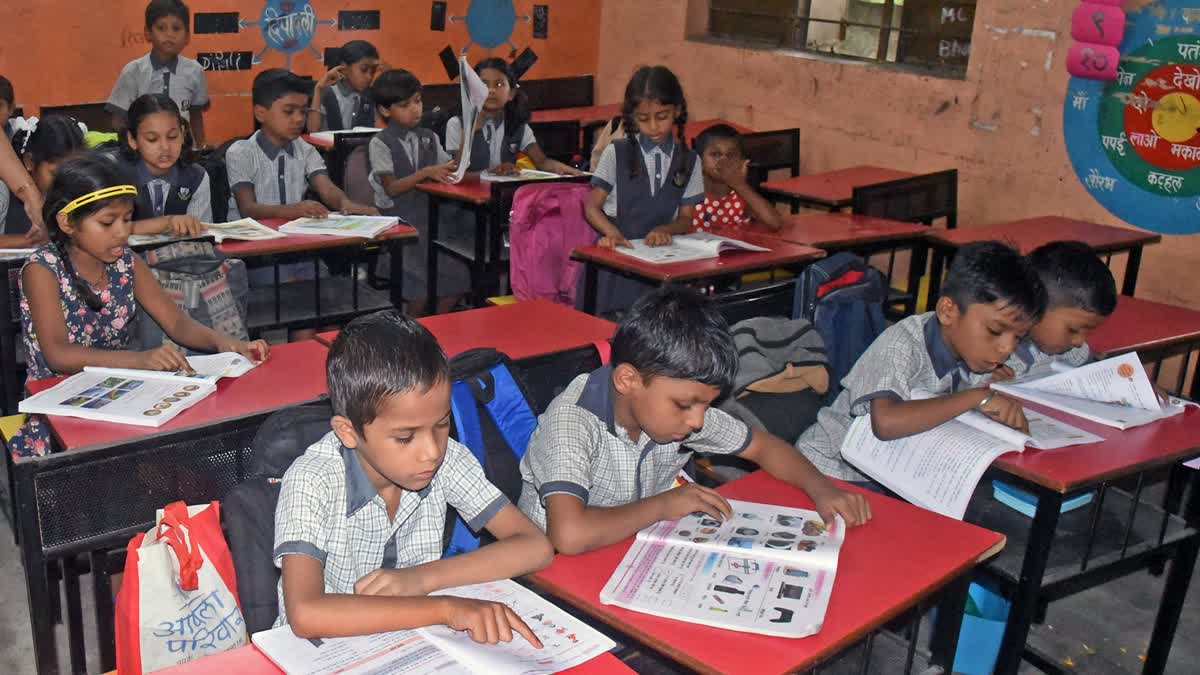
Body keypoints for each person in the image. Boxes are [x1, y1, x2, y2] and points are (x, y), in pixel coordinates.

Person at [517, 287, 871, 555]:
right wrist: (664, 505)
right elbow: (569, 536)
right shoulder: (572, 424)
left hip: (628, 548)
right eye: (687, 405)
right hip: (553, 572)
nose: (698, 421)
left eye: (706, 405)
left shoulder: (669, 411)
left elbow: (763, 446)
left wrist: (822, 489)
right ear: (628, 381)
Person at [274, 310, 554, 641]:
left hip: (412, 640)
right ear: (348, 432)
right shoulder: (313, 480)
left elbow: (536, 546)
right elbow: (306, 613)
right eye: (405, 438)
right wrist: (445, 609)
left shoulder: (447, 460)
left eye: (442, 424)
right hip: (325, 651)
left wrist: (420, 580)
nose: (432, 451)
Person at [8, 154, 268, 458]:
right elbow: (58, 355)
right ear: (67, 223)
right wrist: (140, 360)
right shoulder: (43, 269)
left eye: (127, 219)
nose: (122, 232)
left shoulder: (126, 262)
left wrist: (224, 342)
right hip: (56, 404)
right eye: (107, 222)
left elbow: (176, 323)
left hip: (121, 392)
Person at [794, 241, 1047, 482]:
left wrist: (996, 392)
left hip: (892, 475)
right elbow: (885, 423)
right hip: (826, 470)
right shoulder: (901, 344)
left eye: (1019, 338)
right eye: (994, 331)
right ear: (948, 311)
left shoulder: (975, 353)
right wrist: (976, 398)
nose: (1006, 348)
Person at [584, 65, 704, 314]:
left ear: (678, 111)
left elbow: (685, 218)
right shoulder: (616, 153)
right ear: (632, 116)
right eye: (643, 119)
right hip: (616, 263)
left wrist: (666, 229)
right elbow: (591, 207)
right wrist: (611, 232)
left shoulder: (689, 160)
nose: (653, 127)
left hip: (661, 266)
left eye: (662, 116)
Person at [366, 69, 463, 313]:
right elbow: (392, 188)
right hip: (401, 225)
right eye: (405, 105)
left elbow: (449, 170)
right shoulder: (380, 142)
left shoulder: (429, 137)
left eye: (418, 101)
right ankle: (414, 332)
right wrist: (426, 173)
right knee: (417, 293)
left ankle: (437, 328)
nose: (415, 109)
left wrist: (463, 150)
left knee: (458, 279)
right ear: (385, 110)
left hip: (431, 221)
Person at [227, 68, 378, 222]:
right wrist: (293, 210)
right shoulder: (242, 152)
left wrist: (344, 203)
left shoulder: (305, 149)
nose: (299, 119)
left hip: (291, 239)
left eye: (303, 111)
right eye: (289, 111)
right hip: (250, 239)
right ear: (260, 113)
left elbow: (327, 189)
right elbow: (248, 209)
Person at [445, 57, 582, 177]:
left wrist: (566, 170)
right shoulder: (457, 124)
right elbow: (457, 174)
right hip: (465, 203)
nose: (491, 90)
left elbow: (542, 162)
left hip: (504, 198)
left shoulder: (518, 125)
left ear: (511, 93)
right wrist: (470, 129)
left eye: (499, 84)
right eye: (484, 84)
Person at [1001, 241, 1117, 380]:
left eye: (1088, 331)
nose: (1079, 341)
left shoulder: (1070, 350)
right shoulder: (997, 355)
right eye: (1073, 330)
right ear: (1035, 305)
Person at [107, 0, 210, 148]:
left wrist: (201, 146)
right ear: (148, 33)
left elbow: (195, 114)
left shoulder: (195, 71)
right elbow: (118, 121)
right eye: (161, 28)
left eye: (176, 28)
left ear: (187, 36)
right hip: (143, 153)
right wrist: (133, 149)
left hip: (183, 153)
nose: (169, 34)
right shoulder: (133, 71)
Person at [121, 94, 210, 237]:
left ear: (182, 133)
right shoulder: (115, 176)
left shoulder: (196, 177)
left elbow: (201, 234)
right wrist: (165, 223)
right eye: (152, 139)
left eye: (172, 136)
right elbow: (108, 233)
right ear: (132, 140)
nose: (165, 147)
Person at [1, 116, 86, 244]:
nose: (66, 182)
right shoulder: (3, 195)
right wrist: (31, 241)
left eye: (74, 173)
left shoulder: (86, 193)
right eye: (55, 173)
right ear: (29, 161)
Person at [690, 124, 783, 233]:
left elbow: (776, 223)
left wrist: (739, 185)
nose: (724, 161)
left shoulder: (741, 196)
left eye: (731, 155)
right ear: (698, 161)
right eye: (715, 154)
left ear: (742, 162)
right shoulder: (689, 194)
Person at [306, 40, 384, 132]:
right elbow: (313, 131)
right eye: (363, 69)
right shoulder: (327, 94)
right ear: (344, 68)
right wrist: (318, 90)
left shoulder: (371, 96)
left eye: (373, 71)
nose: (369, 76)